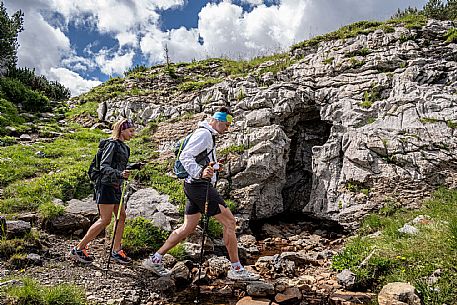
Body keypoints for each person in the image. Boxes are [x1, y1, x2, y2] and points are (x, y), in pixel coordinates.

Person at [142, 107, 260, 281]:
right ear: (218, 120)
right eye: (226, 125)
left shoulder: (207, 134)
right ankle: (236, 269)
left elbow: (198, 158)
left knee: (188, 228)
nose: (227, 129)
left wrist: (213, 165)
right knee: (230, 222)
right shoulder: (204, 134)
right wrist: (200, 172)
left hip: (193, 185)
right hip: (199, 186)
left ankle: (155, 259)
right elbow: (185, 156)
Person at [70, 118, 135, 264]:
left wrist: (132, 167)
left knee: (121, 217)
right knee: (105, 220)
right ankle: (79, 248)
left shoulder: (125, 147)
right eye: (130, 131)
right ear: (122, 130)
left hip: (116, 186)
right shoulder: (111, 145)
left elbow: (117, 164)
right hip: (105, 185)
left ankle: (116, 250)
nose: (133, 134)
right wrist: (119, 174)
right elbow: (104, 167)